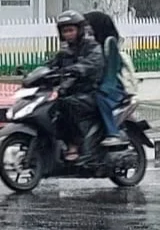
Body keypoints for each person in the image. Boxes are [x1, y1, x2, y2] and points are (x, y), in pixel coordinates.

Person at [47, 10, 105, 161]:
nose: (68, 34)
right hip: (72, 93)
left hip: (90, 93)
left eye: (71, 30)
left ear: (79, 30)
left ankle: (74, 144)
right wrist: (34, 73)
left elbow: (93, 62)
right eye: (65, 31)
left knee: (66, 104)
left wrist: (77, 69)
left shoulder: (92, 47)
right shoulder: (64, 53)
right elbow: (51, 66)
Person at [84, 11, 130, 147]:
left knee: (100, 99)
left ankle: (113, 133)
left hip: (113, 87)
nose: (87, 28)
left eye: (89, 25)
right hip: (98, 83)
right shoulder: (93, 43)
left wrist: (105, 88)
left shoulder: (109, 42)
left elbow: (112, 67)